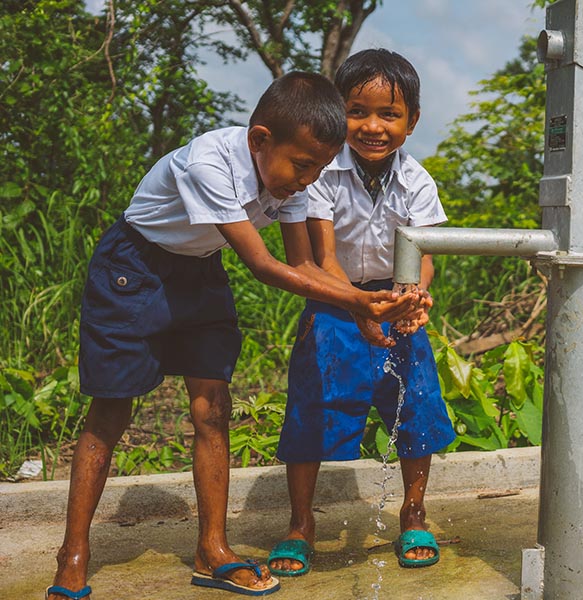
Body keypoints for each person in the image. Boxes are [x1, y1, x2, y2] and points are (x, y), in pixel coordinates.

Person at [47, 72, 425, 600]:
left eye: (318, 168)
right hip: (133, 270)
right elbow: (262, 264)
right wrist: (357, 299)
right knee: (112, 410)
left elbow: (304, 264)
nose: (308, 180)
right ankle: (74, 554)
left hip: (201, 271)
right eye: (301, 165)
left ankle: (213, 549)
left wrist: (362, 310)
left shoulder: (296, 177)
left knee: (213, 409)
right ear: (259, 140)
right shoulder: (209, 163)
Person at [266, 49, 456, 577]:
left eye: (389, 115)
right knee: (313, 406)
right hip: (332, 297)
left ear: (411, 121)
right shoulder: (323, 174)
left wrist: (412, 302)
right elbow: (324, 257)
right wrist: (356, 305)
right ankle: (301, 524)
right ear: (337, 112)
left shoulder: (418, 179)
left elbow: (422, 258)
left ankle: (414, 512)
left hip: (395, 297)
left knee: (414, 406)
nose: (373, 126)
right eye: (357, 111)